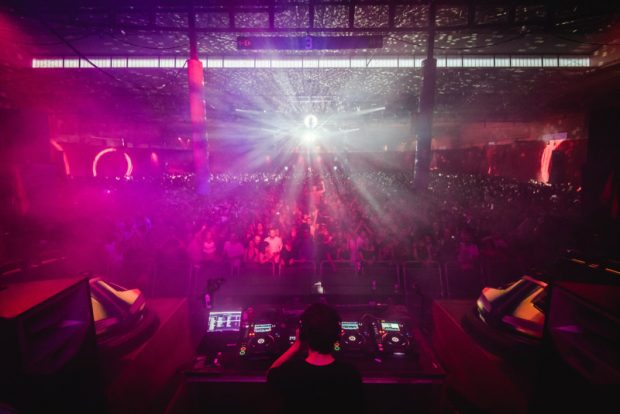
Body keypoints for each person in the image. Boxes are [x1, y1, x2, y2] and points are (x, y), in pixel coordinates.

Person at [266, 303, 364, 414]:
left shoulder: (290, 371)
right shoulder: (350, 374)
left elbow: (271, 374)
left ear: (303, 334)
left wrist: (296, 346)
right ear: (337, 334)